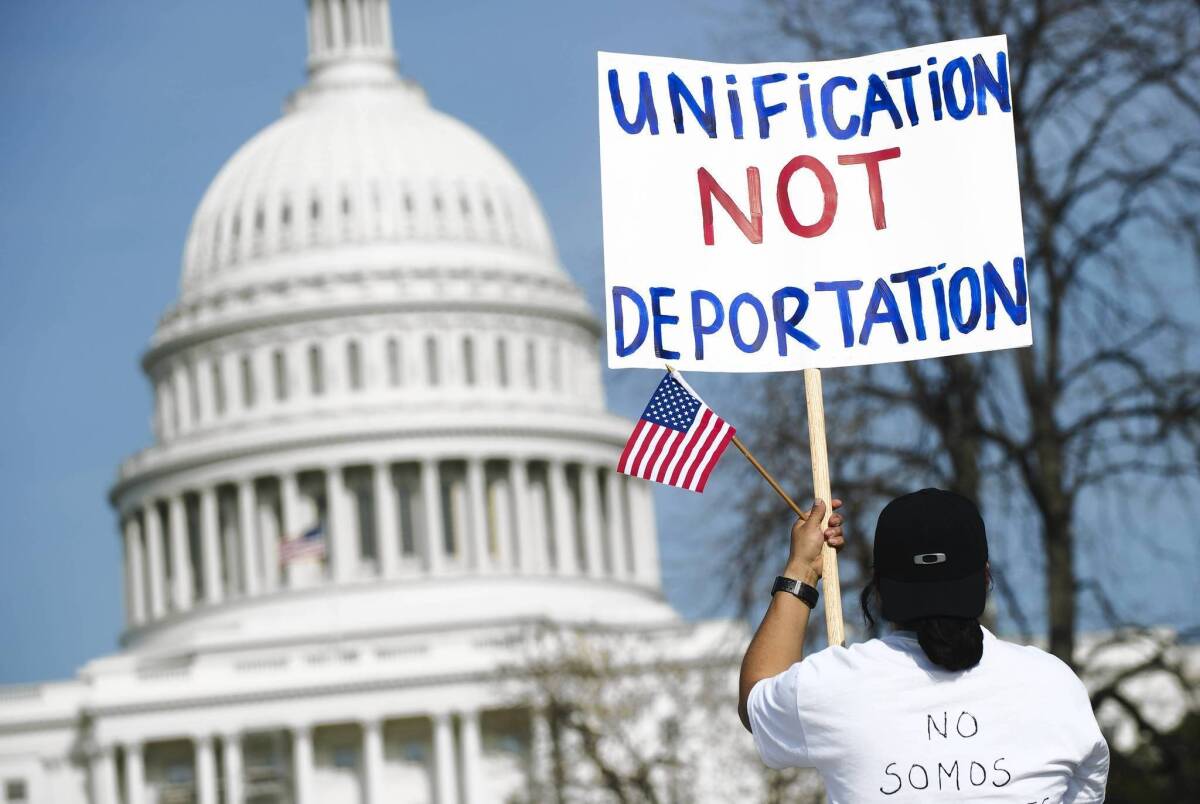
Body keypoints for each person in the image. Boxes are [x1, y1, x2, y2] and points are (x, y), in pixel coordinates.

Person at [738, 488, 1109, 802]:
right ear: (984, 577)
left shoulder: (834, 686)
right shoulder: (1053, 685)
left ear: (879, 589)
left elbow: (756, 698)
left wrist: (802, 569)